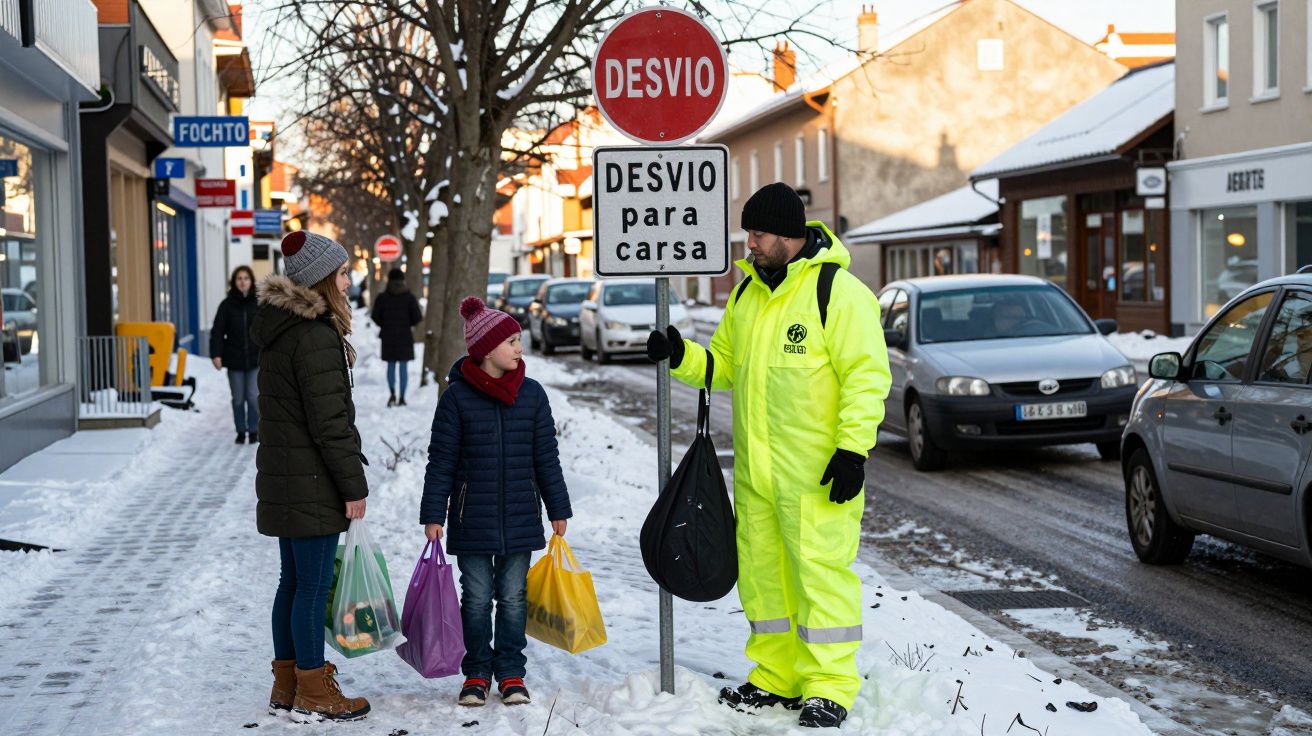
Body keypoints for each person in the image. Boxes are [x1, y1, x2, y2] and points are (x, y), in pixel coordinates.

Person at [646, 183, 891, 729]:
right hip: (757, 477)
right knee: (763, 581)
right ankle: (776, 678)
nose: (749, 243)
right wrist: (681, 353)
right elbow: (725, 367)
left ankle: (829, 684)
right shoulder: (746, 295)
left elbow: (867, 378)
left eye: (757, 234)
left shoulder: (838, 293)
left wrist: (853, 450)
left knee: (820, 578)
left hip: (817, 478)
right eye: (748, 232)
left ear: (787, 234)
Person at [420, 296, 572, 709]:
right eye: (513, 342)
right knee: (475, 597)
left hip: (521, 516)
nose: (520, 349)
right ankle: (476, 671)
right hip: (472, 520)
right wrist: (434, 512)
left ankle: (510, 672)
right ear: (487, 349)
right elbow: (442, 461)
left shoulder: (533, 395)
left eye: (520, 341)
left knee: (512, 597)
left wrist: (558, 506)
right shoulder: (456, 400)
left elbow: (546, 457)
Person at [251, 231, 370, 723]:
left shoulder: (282, 328)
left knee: (293, 582)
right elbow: (330, 425)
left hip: (286, 477)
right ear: (322, 279)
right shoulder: (315, 335)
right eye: (342, 273)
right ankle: (315, 689)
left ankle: (287, 683)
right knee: (312, 586)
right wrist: (353, 487)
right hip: (313, 481)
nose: (348, 281)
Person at [210, 265, 261, 444]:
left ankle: (254, 429)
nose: (243, 282)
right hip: (234, 359)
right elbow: (217, 331)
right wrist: (216, 354)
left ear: (251, 281)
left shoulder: (258, 303)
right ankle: (241, 430)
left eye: (246, 278)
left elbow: (267, 330)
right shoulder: (227, 305)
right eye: (239, 278)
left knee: (253, 396)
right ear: (234, 282)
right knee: (238, 397)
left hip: (255, 358)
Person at [370, 267, 423, 407]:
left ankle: (392, 393)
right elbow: (417, 317)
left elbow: (375, 316)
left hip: (388, 336)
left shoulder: (382, 297)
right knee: (403, 367)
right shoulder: (409, 297)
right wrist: (408, 324)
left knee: (391, 365)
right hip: (405, 336)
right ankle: (402, 397)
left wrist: (384, 324)